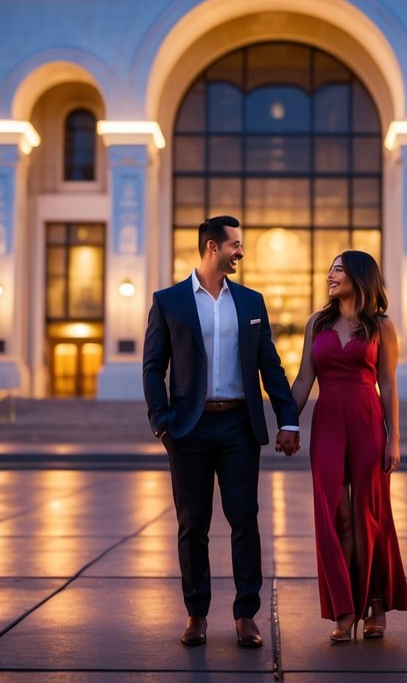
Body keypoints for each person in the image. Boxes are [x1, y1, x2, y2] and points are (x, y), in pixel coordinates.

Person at [143, 215, 301, 649]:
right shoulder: (169, 300)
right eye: (236, 244)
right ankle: (196, 614)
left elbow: (271, 365)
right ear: (212, 247)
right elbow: (153, 366)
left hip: (238, 425)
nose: (241, 252)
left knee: (244, 519)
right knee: (192, 524)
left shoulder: (251, 303)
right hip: (187, 429)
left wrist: (287, 417)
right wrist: (162, 423)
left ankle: (245, 615)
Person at [290, 250, 407, 641]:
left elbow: (388, 383)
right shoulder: (317, 323)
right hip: (327, 423)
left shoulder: (381, 326)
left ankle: (375, 604)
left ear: (359, 276)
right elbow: (303, 380)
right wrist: (285, 422)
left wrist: (394, 436)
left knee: (369, 515)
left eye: (338, 269)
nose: (330, 274)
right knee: (332, 514)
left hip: (366, 423)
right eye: (329, 268)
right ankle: (343, 608)